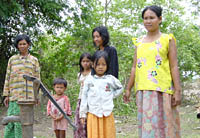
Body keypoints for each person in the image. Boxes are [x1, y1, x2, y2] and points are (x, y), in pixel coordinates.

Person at [123, 5, 181, 138]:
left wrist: (177, 91)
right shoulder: (139, 42)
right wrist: (128, 88)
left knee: (165, 127)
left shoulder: (167, 39)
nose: (148, 21)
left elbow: (174, 66)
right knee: (148, 129)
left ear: (160, 19)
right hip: (143, 92)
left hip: (163, 91)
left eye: (151, 18)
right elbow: (134, 67)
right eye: (145, 18)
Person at [3, 34, 40, 138]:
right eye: (20, 44)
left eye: (24, 44)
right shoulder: (12, 60)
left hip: (27, 98)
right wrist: (6, 95)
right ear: (17, 46)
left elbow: (37, 80)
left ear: (28, 45)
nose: (22, 46)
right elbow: (8, 77)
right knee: (11, 120)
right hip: (14, 96)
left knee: (24, 122)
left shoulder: (34, 60)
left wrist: (36, 96)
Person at [79, 51, 123, 138]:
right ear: (92, 65)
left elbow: (120, 88)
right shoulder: (89, 80)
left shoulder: (110, 79)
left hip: (107, 114)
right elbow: (84, 97)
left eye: (103, 64)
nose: (100, 67)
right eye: (98, 64)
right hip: (93, 114)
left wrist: (112, 95)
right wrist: (82, 114)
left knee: (108, 134)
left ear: (107, 65)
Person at [74, 53, 92, 138]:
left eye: (87, 61)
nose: (85, 63)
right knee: (79, 121)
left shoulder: (93, 74)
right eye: (83, 61)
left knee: (89, 122)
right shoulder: (79, 74)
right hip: (81, 99)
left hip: (90, 100)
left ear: (91, 62)